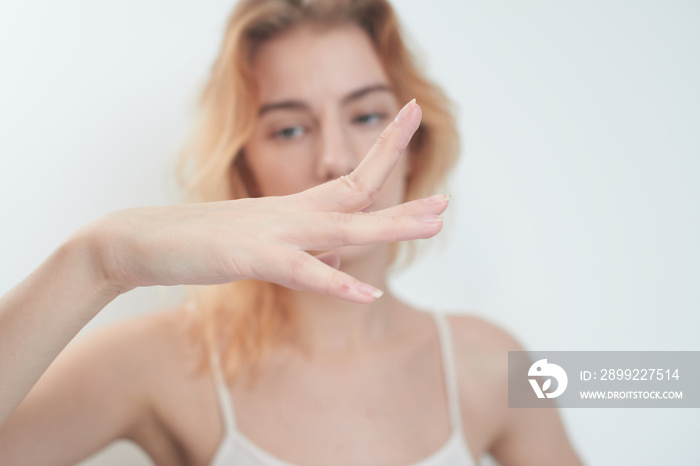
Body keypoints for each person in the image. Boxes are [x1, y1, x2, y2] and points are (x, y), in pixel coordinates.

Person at [0, 0, 582, 465]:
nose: (335, 160)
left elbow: (660, 381)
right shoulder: (156, 362)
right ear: (243, 165)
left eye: (368, 116)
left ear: (416, 149)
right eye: (289, 130)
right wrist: (98, 260)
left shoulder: (495, 362)